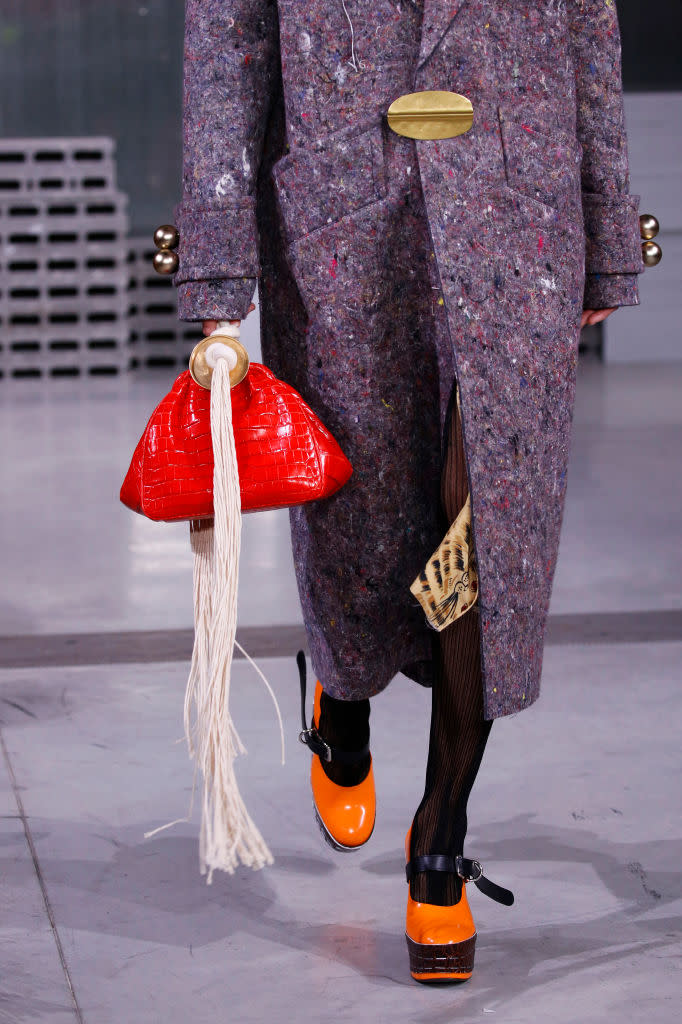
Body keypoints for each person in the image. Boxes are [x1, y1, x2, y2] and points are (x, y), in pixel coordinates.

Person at [170, 0, 652, 983]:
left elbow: (589, 23)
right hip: (343, 212)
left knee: (488, 516)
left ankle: (439, 841)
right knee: (357, 519)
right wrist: (217, 270)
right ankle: (342, 697)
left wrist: (607, 219)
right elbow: (227, 42)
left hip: (521, 201)